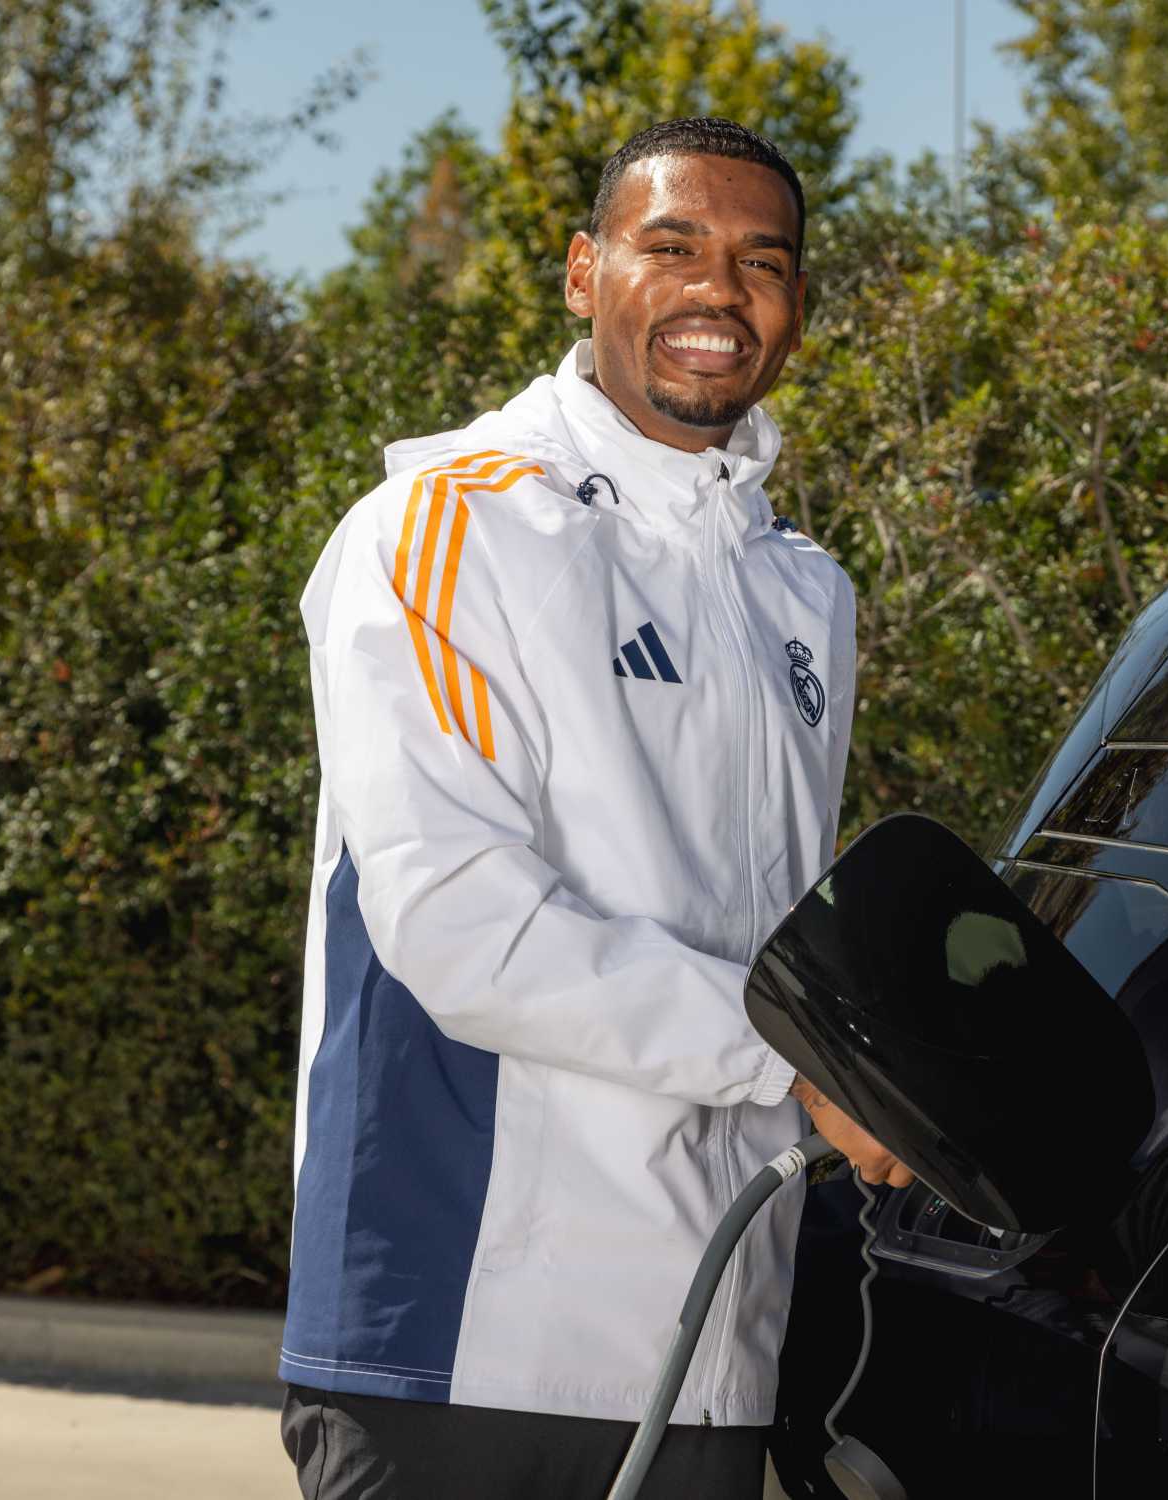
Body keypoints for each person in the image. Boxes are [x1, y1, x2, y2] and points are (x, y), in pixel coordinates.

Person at [277, 117, 911, 1500]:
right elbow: (462, 929)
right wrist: (805, 1066)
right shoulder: (447, 523)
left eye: (761, 262)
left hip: (713, 1351)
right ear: (583, 272)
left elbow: (775, 940)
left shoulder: (804, 589)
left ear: (796, 303)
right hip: (460, 1335)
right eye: (670, 246)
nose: (717, 290)